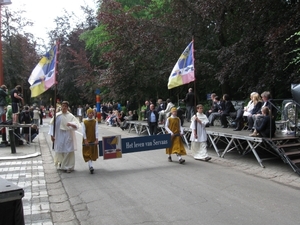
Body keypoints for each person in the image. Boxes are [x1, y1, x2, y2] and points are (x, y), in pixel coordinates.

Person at [49, 101, 80, 173]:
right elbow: (52, 126)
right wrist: (52, 135)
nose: (64, 107)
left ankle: (68, 167)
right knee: (60, 151)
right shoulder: (57, 116)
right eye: (63, 106)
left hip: (68, 135)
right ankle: (61, 163)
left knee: (68, 151)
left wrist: (71, 124)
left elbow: (76, 125)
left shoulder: (70, 116)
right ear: (61, 107)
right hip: (59, 136)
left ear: (67, 107)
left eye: (65, 106)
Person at [82, 108, 99, 174]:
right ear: (87, 114)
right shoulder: (84, 121)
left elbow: (96, 130)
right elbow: (83, 131)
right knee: (87, 153)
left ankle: (90, 165)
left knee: (92, 152)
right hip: (87, 138)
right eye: (90, 113)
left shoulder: (95, 121)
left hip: (93, 138)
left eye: (92, 113)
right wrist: (85, 140)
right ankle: (91, 166)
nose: (91, 114)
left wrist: (96, 139)